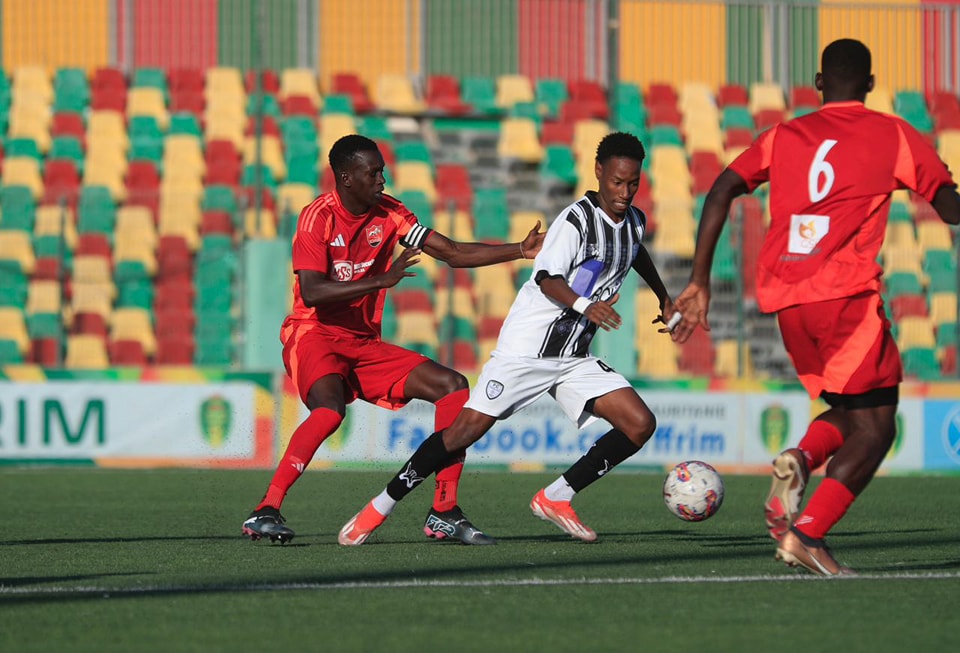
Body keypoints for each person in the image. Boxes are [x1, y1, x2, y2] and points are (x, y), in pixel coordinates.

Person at [671, 39, 960, 575]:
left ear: (819, 83)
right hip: (843, 296)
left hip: (788, 302)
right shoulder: (894, 134)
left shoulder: (783, 135)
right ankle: (808, 534)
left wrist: (699, 281)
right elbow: (950, 209)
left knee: (854, 416)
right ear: (870, 85)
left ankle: (800, 459)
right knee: (878, 429)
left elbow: (720, 190)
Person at [337, 131, 679, 546]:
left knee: (640, 423)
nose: (624, 193)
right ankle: (380, 506)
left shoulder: (635, 221)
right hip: (529, 348)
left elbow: (634, 248)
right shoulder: (575, 222)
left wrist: (664, 297)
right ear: (598, 173)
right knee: (463, 433)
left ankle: (557, 497)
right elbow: (548, 279)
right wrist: (587, 306)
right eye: (616, 183)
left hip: (573, 355)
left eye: (632, 184)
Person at [242, 134, 545, 545]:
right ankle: (266, 509)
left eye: (382, 170)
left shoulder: (392, 213)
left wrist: (519, 252)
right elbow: (312, 292)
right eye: (374, 172)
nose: (383, 179)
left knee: (452, 387)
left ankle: (443, 511)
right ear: (347, 178)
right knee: (329, 411)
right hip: (313, 333)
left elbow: (452, 252)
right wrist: (381, 280)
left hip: (363, 343)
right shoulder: (317, 218)